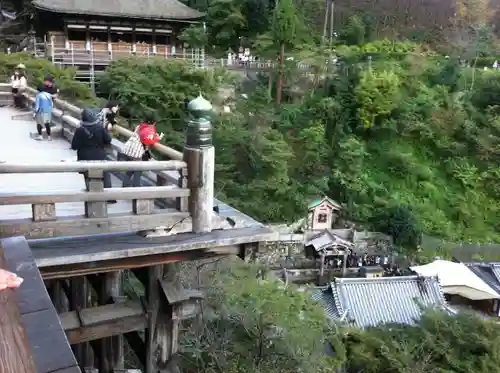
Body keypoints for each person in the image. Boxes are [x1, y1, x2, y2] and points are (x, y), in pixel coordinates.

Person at [71, 108, 116, 204]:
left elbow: (74, 146)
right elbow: (108, 140)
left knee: (88, 177)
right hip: (99, 157)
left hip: (84, 158)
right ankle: (109, 197)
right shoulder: (99, 127)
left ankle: (92, 196)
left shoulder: (80, 130)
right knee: (105, 175)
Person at [117, 112, 164, 187]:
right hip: (136, 153)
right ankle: (136, 192)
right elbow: (148, 141)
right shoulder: (150, 129)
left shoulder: (140, 126)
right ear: (153, 122)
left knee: (129, 171)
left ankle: (124, 187)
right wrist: (157, 138)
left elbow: (141, 136)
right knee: (137, 173)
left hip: (129, 151)